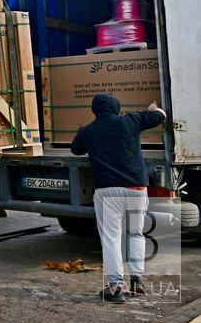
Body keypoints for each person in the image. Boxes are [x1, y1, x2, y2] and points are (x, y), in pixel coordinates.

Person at [70, 93, 166, 303]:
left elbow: (75, 149)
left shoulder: (89, 131)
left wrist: (81, 133)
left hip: (107, 191)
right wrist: (153, 109)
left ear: (95, 110)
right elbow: (161, 116)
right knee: (136, 233)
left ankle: (115, 287)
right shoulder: (130, 120)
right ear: (117, 107)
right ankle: (137, 280)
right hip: (136, 188)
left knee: (111, 239)